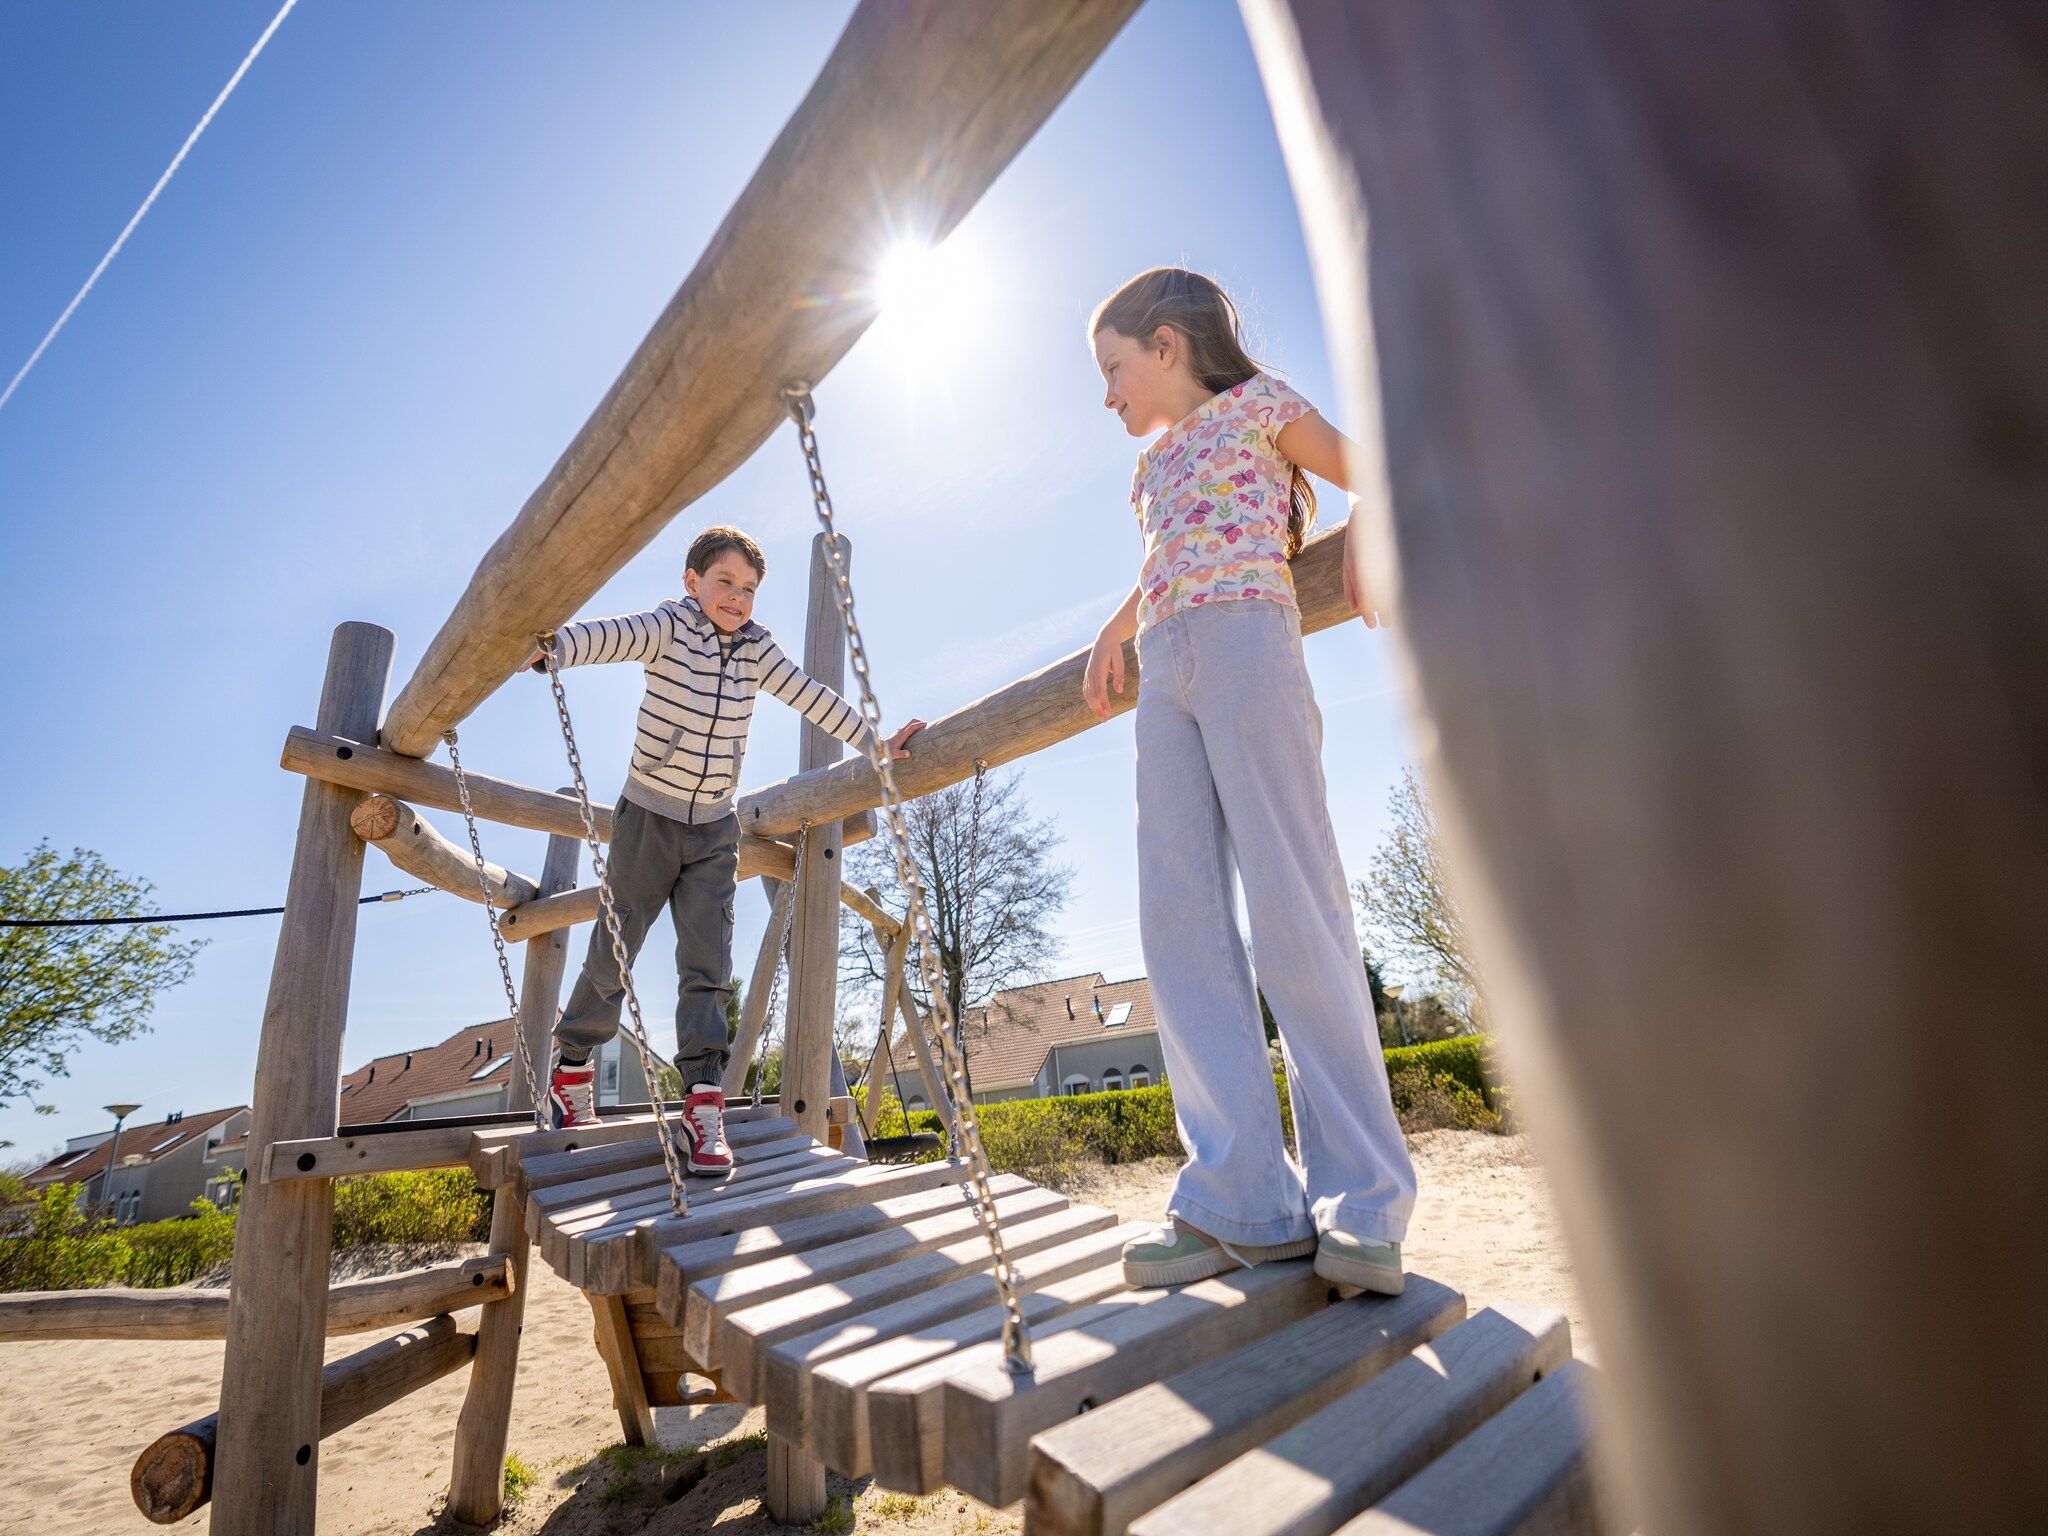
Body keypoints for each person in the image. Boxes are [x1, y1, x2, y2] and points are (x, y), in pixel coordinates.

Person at [1083, 267, 1416, 1295]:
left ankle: (1362, 1203)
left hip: (1248, 648)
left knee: (1292, 905)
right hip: (1165, 676)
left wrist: (1368, 523)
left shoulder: (1259, 407)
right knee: (1177, 918)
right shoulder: (1151, 466)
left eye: (1113, 369)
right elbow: (1166, 557)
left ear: (1167, 345)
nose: (1108, 395)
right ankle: (1240, 1202)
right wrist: (1113, 628)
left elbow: (1370, 470)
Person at [531, 525, 923, 1171]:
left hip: (716, 827)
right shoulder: (667, 627)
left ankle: (703, 1103)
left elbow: (809, 695)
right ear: (693, 582)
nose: (737, 597)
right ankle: (571, 1068)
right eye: (725, 582)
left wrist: (872, 744)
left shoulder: (757, 649)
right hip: (648, 818)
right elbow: (609, 636)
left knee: (709, 964)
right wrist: (553, 648)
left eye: (748, 588)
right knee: (617, 948)